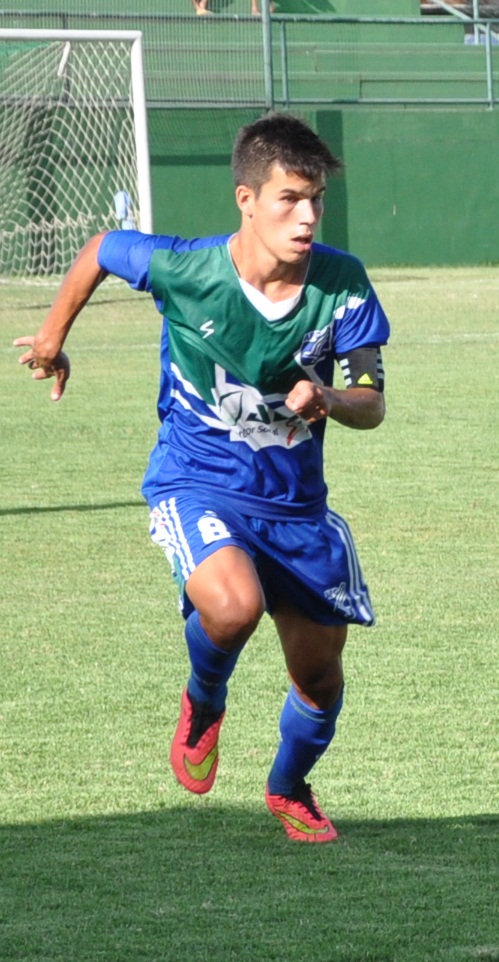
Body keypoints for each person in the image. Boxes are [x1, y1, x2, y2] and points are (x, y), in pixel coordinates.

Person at [13, 113, 389, 843]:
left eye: (314, 199)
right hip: (197, 480)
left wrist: (335, 399)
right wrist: (54, 335)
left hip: (296, 508)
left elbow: (373, 402)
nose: (307, 216)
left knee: (319, 680)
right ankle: (204, 699)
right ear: (246, 200)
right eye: (289, 199)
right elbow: (103, 248)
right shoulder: (188, 268)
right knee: (230, 606)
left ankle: (288, 788)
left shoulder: (342, 284)